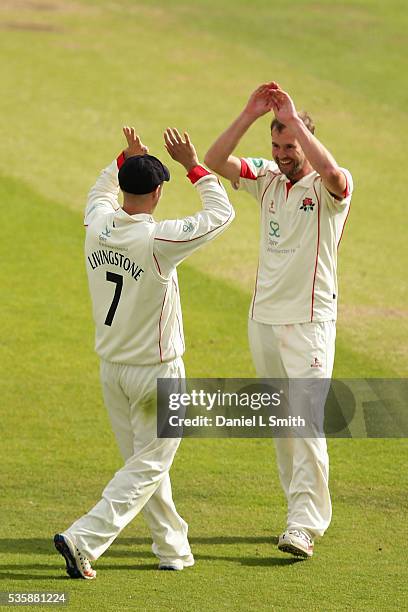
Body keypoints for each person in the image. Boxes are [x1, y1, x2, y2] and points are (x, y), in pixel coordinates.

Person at [54, 126, 234, 578]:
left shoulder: (97, 224)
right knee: (148, 465)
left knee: (145, 466)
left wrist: (124, 156)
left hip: (112, 370)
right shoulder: (158, 240)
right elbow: (221, 213)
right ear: (156, 193)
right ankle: (84, 539)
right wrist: (194, 165)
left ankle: (173, 549)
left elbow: (99, 190)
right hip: (157, 373)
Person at [204, 82, 353, 558]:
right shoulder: (266, 176)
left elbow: (331, 171)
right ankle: (295, 512)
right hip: (263, 320)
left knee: (306, 422)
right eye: (277, 145)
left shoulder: (330, 187)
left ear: (305, 142)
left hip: (310, 321)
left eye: (290, 145)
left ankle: (305, 525)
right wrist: (250, 113)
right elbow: (214, 160)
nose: (283, 154)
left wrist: (295, 121)